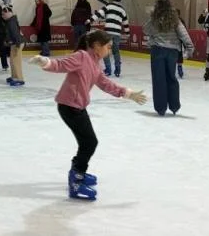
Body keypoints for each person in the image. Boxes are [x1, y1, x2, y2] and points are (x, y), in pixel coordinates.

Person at [29, 30, 147, 201]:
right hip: (69, 106)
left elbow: (105, 84)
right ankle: (76, 179)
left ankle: (77, 172)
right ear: (97, 46)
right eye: (108, 47)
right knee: (89, 143)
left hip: (77, 106)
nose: (109, 50)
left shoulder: (94, 62)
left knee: (88, 142)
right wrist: (44, 61)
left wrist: (127, 93)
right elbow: (62, 64)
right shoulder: (82, 56)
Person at [143, 0, 194, 116]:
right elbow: (183, 34)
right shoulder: (175, 19)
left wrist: (152, 18)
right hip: (172, 52)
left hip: (158, 51)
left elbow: (146, 30)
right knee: (171, 78)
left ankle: (161, 108)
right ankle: (174, 106)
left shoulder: (154, 19)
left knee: (159, 79)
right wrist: (189, 48)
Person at [87, 0, 129, 77]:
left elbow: (99, 14)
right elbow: (125, 22)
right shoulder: (122, 10)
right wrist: (128, 33)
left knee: (105, 51)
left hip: (108, 32)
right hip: (117, 33)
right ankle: (118, 70)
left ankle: (108, 69)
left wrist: (89, 20)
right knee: (116, 51)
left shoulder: (109, 6)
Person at [2, 4, 25, 86]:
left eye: (4, 14)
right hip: (14, 43)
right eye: (2, 14)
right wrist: (7, 41)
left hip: (17, 43)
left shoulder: (11, 22)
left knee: (16, 61)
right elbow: (10, 34)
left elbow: (15, 34)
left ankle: (20, 79)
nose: (3, 16)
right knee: (12, 61)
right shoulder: (10, 21)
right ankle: (14, 77)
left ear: (9, 12)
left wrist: (18, 44)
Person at [176, 9, 188, 79]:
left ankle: (179, 67)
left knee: (179, 54)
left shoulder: (181, 21)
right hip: (171, 42)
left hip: (179, 41)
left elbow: (184, 31)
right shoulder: (169, 21)